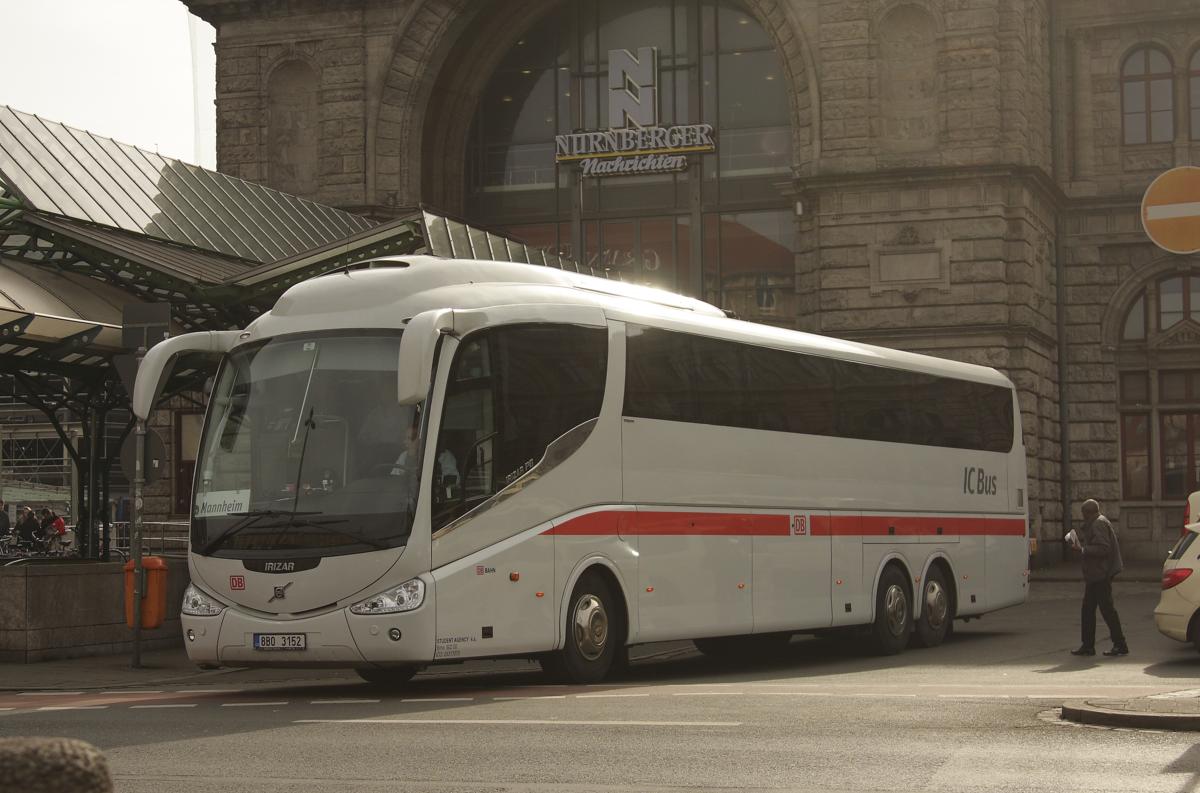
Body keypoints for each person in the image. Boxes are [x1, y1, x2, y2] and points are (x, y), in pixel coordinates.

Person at [1069, 499, 1128, 657]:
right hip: (1097, 574)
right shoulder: (1100, 521)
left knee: (1105, 610)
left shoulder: (1098, 524)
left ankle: (1119, 644)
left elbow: (1103, 548)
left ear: (1088, 513)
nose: (1083, 517)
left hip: (1100, 574)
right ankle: (1089, 645)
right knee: (1089, 609)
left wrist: (1082, 549)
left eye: (1083, 514)